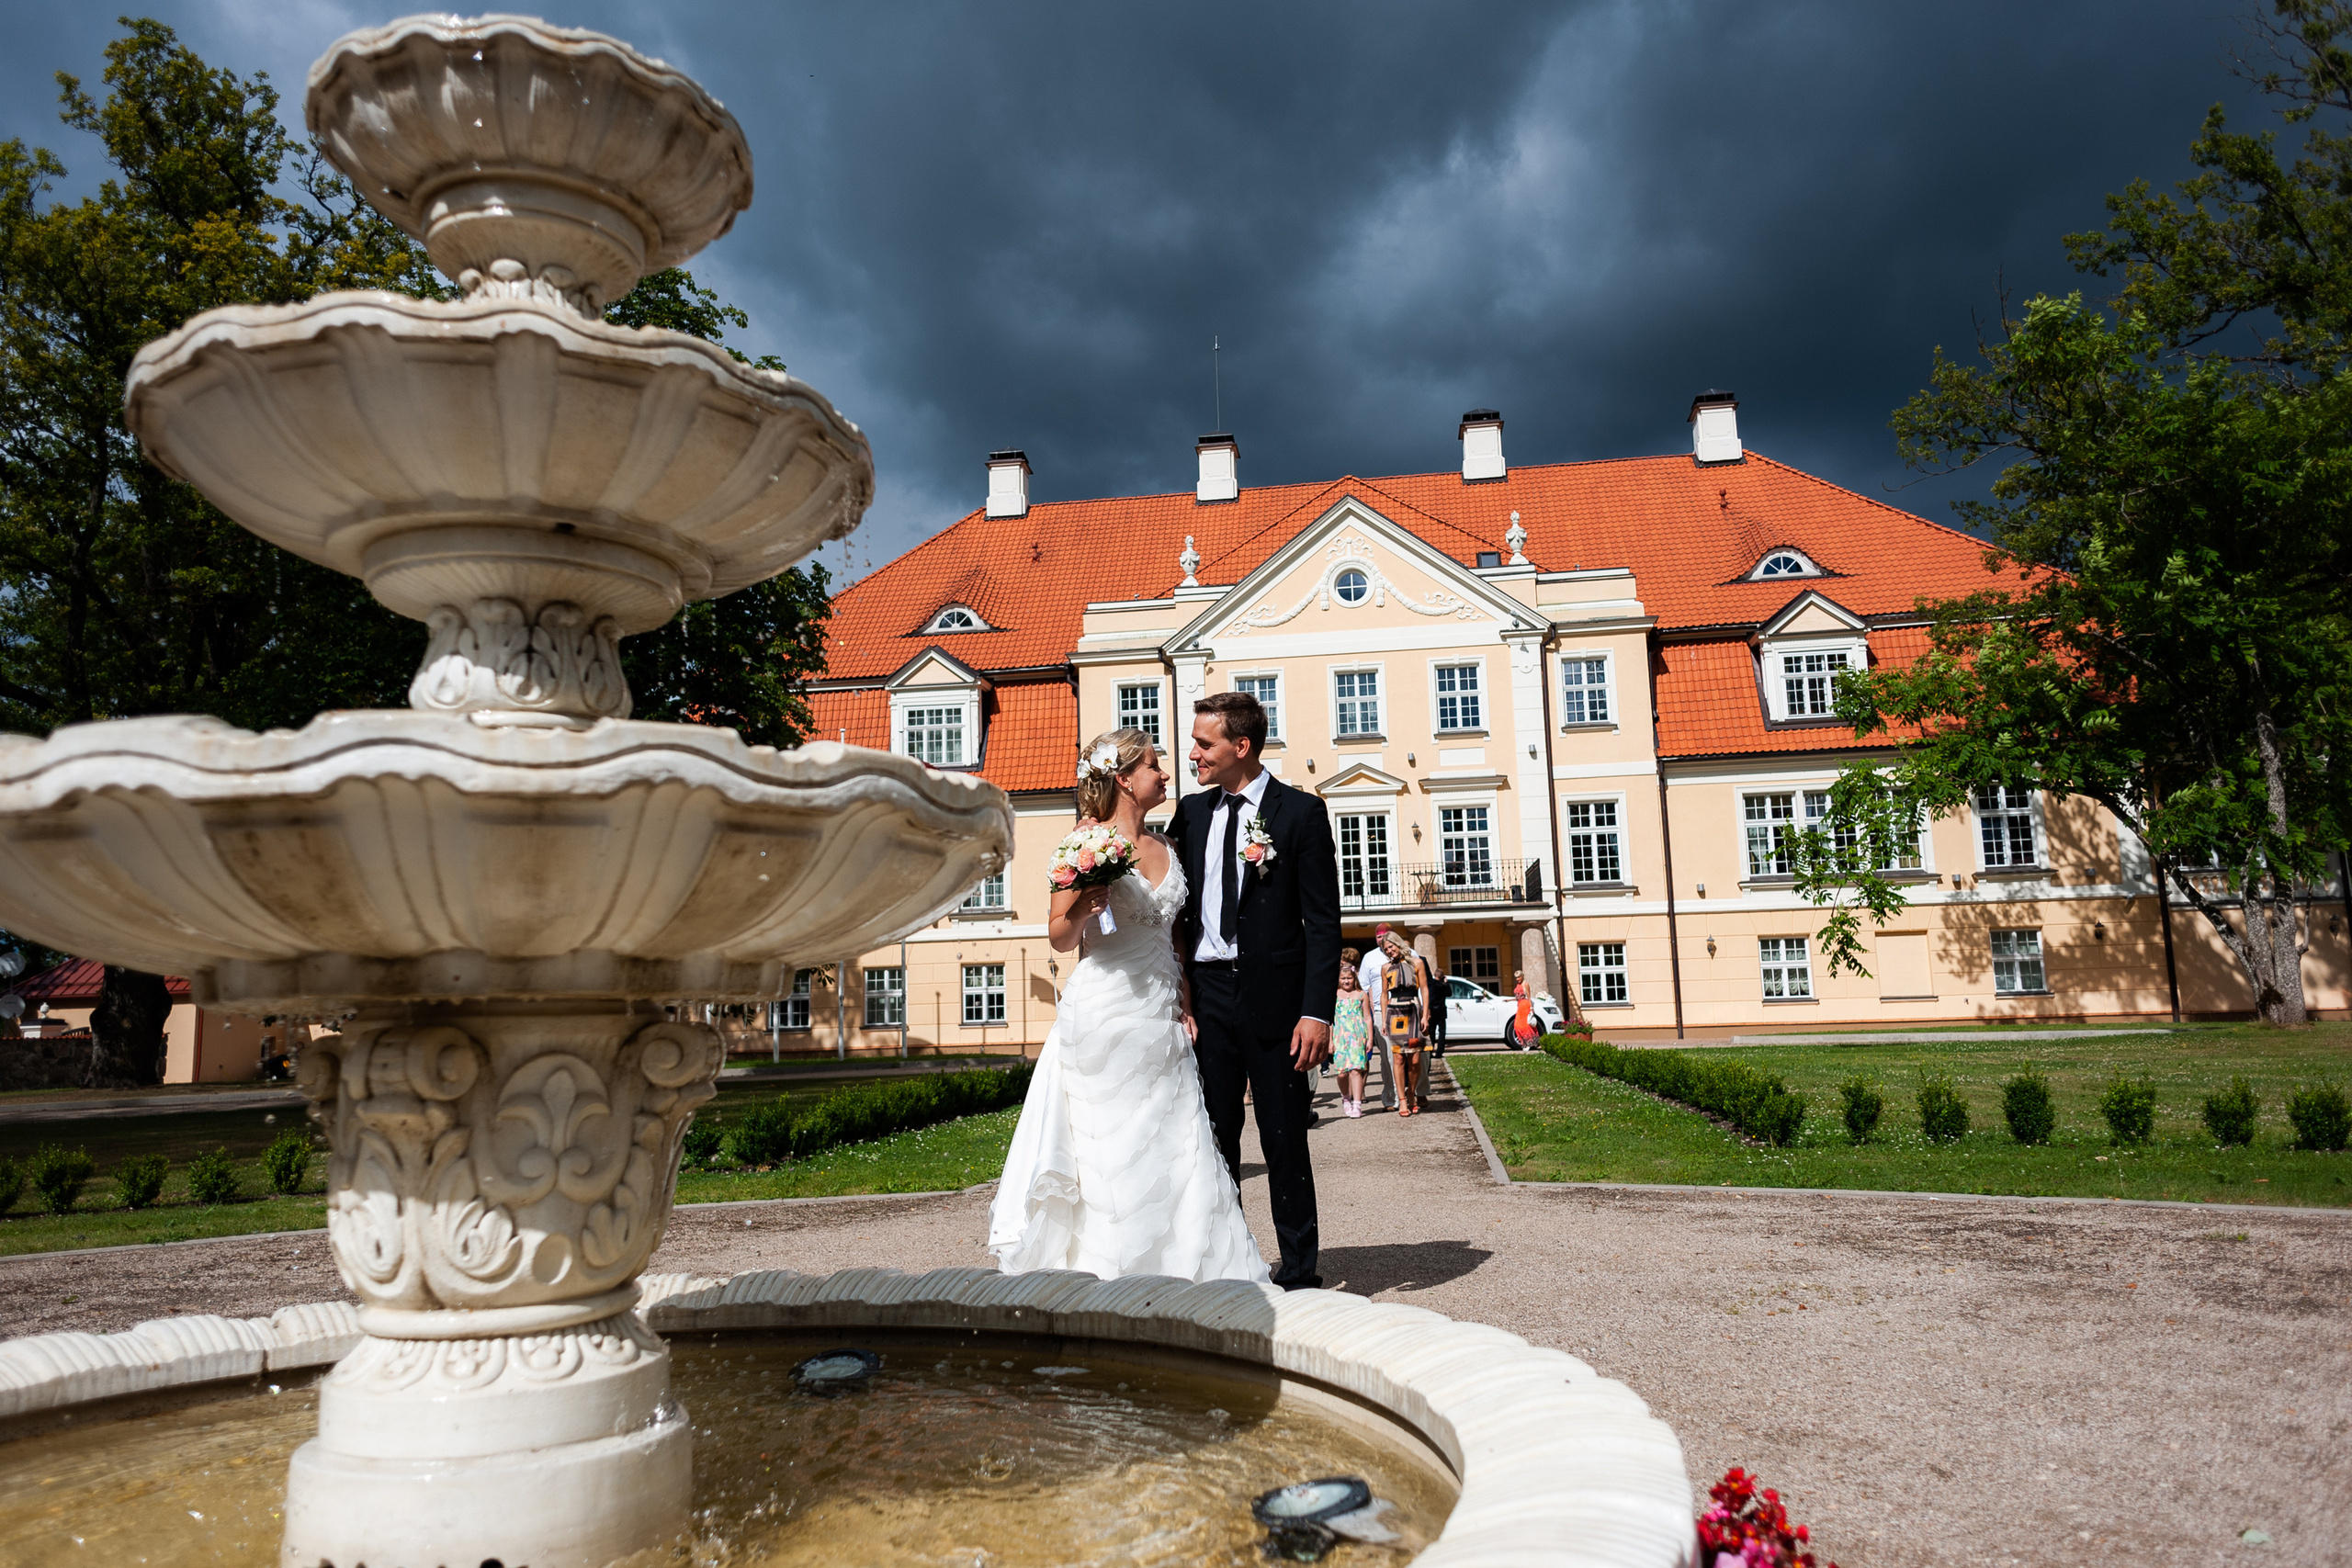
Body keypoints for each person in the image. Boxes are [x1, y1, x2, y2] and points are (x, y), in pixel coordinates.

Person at [989, 728, 1269, 1284]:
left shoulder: (1167, 846)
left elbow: (1175, 936)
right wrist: (1086, 906)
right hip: (1104, 1012)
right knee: (1109, 1145)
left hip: (1161, 1014)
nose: (1166, 774)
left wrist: (1185, 1000)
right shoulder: (1082, 844)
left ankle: (1188, 1269)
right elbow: (1059, 937)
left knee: (1176, 1138)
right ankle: (1106, 1270)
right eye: (1154, 766)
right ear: (1123, 779)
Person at [1172, 690, 1340, 1291]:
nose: (1193, 752)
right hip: (1210, 997)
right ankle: (1227, 1262)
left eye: (1204, 742)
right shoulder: (1189, 815)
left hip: (1275, 996)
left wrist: (1316, 1011)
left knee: (1283, 1134)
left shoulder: (1299, 814)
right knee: (1214, 1137)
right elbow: (1172, 908)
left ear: (1240, 746)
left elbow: (1323, 922)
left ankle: (1298, 1269)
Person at [1377, 932, 1433, 1115]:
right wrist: (1384, 1019)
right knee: (1399, 1058)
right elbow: (1384, 994)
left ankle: (1411, 1092)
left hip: (1413, 1011)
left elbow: (1424, 989)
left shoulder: (1417, 963)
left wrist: (1425, 1015)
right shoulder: (1385, 968)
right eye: (1386, 949)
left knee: (1415, 1059)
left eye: (1391, 947)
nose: (1389, 951)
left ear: (1398, 944)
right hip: (1394, 1013)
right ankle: (1402, 1099)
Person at [1330, 948, 1374, 1117]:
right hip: (1340, 1038)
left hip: (1357, 1038)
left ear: (1354, 978)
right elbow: (1330, 1020)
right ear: (1339, 980)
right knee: (1341, 1073)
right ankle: (1346, 1098)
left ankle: (1357, 1104)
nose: (1346, 981)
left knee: (1356, 1070)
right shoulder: (1335, 995)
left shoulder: (1361, 995)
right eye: (1343, 979)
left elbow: (1368, 1018)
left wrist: (1369, 1039)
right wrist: (1329, 1041)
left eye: (1349, 978)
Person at [1511, 969, 1536, 1049]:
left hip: (1525, 1005)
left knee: (1525, 1025)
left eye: (1518, 977)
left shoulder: (1526, 984)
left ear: (1522, 976)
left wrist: (1531, 1008)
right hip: (1520, 1005)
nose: (1517, 979)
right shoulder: (1518, 985)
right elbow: (1518, 997)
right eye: (1516, 978)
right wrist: (1509, 1000)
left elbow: (1528, 997)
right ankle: (1524, 1042)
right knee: (1517, 1025)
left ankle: (1529, 1043)